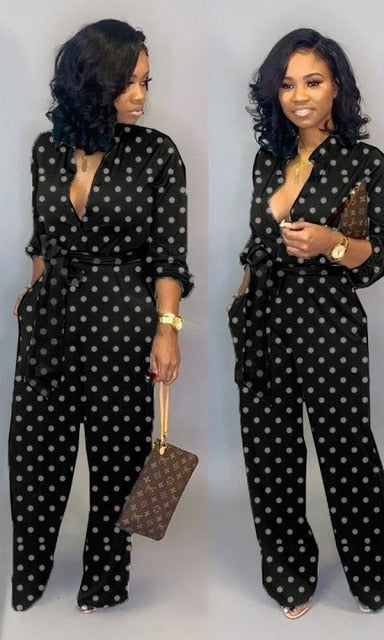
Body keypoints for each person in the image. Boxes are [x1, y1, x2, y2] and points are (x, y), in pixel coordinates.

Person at [9, 19, 193, 612]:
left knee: (117, 460)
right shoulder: (46, 149)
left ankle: (105, 581)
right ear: (90, 82)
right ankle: (29, 573)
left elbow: (169, 255)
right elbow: (43, 240)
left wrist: (168, 329)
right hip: (50, 322)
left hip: (122, 322)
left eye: (145, 82)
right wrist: (31, 292)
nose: (140, 95)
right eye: (127, 83)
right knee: (34, 457)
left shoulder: (157, 152)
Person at [228, 27, 384, 619]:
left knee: (347, 452)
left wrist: (332, 244)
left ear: (337, 88)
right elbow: (257, 241)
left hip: (329, 322)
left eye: (313, 82)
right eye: (287, 85)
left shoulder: (364, 162)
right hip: (263, 319)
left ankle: (372, 578)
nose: (299, 96)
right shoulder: (269, 160)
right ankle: (289, 577)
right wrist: (242, 295)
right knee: (269, 456)